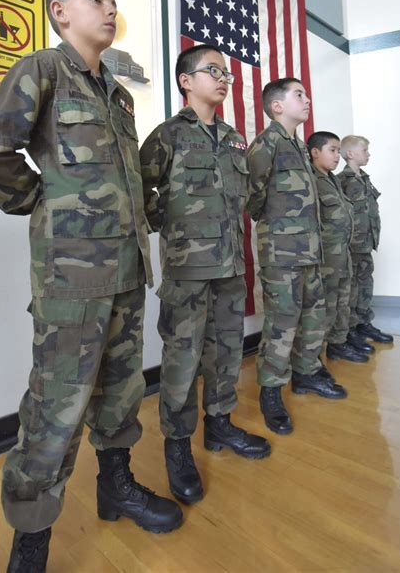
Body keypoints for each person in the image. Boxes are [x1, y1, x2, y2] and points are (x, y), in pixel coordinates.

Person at [0, 0, 182, 573]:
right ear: (61, 12)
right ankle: (31, 539)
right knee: (56, 405)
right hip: (72, 280)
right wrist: (42, 201)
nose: (111, 10)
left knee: (121, 390)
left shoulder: (119, 94)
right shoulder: (43, 70)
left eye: (113, 1)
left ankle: (116, 486)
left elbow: (126, 181)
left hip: (128, 272)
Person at [139, 44, 270, 506]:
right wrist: (172, 225)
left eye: (226, 72)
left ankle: (219, 424)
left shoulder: (236, 140)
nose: (223, 78)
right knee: (182, 358)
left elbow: (247, 195)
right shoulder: (168, 135)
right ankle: (178, 446)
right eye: (212, 71)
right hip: (188, 272)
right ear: (185, 81)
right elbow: (139, 189)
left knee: (227, 350)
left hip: (231, 266)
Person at [246, 79, 348, 436]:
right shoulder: (266, 144)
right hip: (282, 255)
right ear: (277, 106)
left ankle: (305, 374)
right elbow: (252, 197)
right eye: (299, 95)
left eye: (306, 93)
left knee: (312, 318)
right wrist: (278, 231)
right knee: (281, 325)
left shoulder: (301, 150)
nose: (307, 100)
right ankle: (271, 392)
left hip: (310, 252)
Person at [307, 131, 369, 363]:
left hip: (342, 255)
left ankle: (338, 344)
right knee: (326, 307)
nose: (337, 156)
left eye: (337, 150)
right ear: (315, 152)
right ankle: (314, 360)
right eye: (332, 150)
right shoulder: (312, 181)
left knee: (344, 302)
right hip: (326, 259)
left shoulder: (332, 179)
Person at [338, 135, 393, 348]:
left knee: (365, 283)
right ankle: (350, 329)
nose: (368, 154)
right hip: (351, 245)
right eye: (365, 150)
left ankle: (363, 322)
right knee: (350, 287)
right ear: (350, 154)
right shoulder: (342, 181)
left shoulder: (364, 178)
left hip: (366, 243)